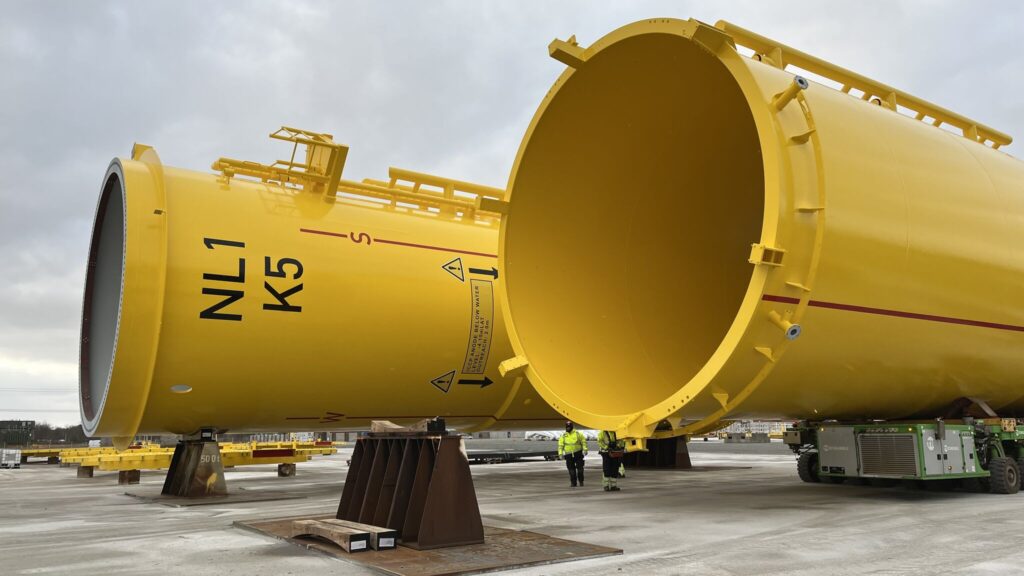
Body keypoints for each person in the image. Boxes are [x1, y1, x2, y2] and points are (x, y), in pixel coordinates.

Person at [558, 421, 588, 487]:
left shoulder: (578, 434)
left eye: (569, 427)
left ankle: (581, 481)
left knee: (580, 469)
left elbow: (583, 442)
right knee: (571, 470)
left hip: (578, 453)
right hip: (568, 455)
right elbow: (560, 446)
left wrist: (585, 450)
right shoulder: (563, 436)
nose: (568, 428)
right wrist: (560, 454)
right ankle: (573, 483)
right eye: (567, 427)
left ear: (572, 427)